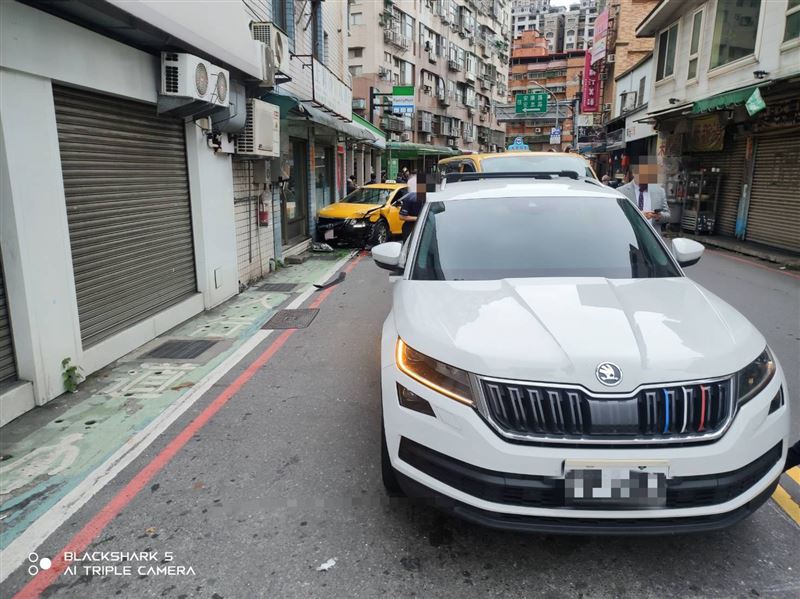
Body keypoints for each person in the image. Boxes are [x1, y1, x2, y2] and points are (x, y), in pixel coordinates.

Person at [617, 155, 670, 225]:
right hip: (629, 234)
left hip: (650, 234)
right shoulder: (621, 192)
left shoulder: (659, 191)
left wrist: (659, 216)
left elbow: (668, 215)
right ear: (634, 172)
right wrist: (638, 216)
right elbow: (616, 215)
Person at [399, 173, 433, 242]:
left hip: (425, 228)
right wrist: (419, 218)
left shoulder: (430, 197)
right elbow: (401, 216)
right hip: (411, 229)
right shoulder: (409, 198)